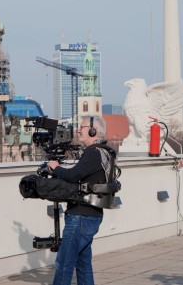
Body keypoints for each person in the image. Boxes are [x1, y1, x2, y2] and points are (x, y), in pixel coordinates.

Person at [47, 116, 116, 285]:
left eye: (82, 127)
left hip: (80, 216)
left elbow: (73, 175)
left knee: (64, 263)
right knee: (83, 264)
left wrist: (55, 167)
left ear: (93, 131)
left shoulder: (93, 152)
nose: (78, 130)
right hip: (92, 214)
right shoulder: (105, 151)